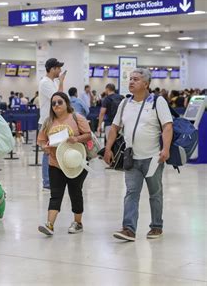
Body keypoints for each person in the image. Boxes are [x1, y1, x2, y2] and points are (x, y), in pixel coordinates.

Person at [104, 68, 173, 241]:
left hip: (153, 158)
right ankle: (129, 229)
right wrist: (107, 148)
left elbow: (167, 126)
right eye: (130, 79)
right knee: (131, 193)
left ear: (146, 83)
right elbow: (114, 127)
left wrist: (165, 149)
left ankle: (156, 226)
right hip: (131, 158)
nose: (131, 82)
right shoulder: (125, 103)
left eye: (136, 79)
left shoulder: (158, 102)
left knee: (155, 193)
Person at [37, 92, 91, 236]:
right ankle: (50, 225)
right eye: (53, 103)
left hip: (76, 163)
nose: (56, 106)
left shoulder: (76, 118)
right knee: (55, 194)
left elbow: (88, 135)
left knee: (75, 192)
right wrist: (45, 148)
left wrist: (77, 139)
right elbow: (41, 140)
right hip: (55, 163)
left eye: (59, 102)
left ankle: (78, 222)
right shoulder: (48, 121)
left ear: (67, 103)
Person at [38, 58, 66, 191]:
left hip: (53, 121)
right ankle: (47, 181)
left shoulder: (52, 82)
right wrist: (61, 82)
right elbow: (59, 98)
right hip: (46, 121)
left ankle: (54, 179)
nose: (60, 71)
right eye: (58, 68)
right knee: (47, 151)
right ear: (52, 69)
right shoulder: (45, 83)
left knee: (56, 150)